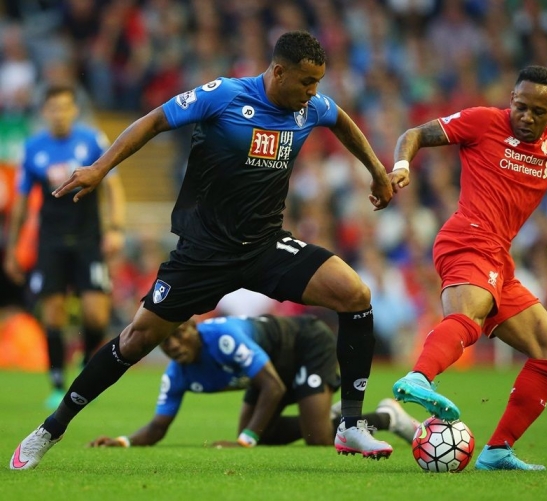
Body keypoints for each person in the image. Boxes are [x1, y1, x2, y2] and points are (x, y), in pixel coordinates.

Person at [9, 30, 395, 471]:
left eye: (318, 82)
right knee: (135, 340)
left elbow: (341, 120)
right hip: (203, 254)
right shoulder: (225, 95)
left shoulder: (311, 107)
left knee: (355, 295)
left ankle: (351, 424)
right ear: (278, 71)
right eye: (307, 81)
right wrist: (100, 167)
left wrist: (377, 172)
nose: (314, 91)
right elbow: (154, 120)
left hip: (264, 246)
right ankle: (51, 428)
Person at [389, 66, 547, 471]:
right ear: (511, 99)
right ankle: (420, 377)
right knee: (471, 313)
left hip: (500, 258)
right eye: (521, 107)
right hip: (467, 238)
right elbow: (415, 134)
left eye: (537, 112)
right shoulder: (482, 122)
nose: (526, 117)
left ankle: (497, 451)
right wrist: (402, 166)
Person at [88, 314, 418, 449]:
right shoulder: (177, 372)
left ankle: (386, 417)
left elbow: (272, 386)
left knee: (317, 438)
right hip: (270, 369)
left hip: (304, 344)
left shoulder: (223, 338)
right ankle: (323, 412)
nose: (173, 346)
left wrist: (245, 441)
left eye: (178, 335)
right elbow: (159, 426)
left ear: (194, 327)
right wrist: (123, 441)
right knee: (266, 433)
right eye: (165, 342)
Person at [3, 84, 125, 410]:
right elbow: (21, 203)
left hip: (88, 238)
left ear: (74, 110)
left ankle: (85, 364)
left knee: (96, 314)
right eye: (53, 108)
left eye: (65, 107)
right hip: (51, 241)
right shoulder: (33, 148)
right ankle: (57, 383)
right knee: (53, 313)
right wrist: (13, 249)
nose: (59, 114)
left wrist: (115, 228)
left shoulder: (92, 141)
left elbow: (112, 186)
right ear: (45, 112)